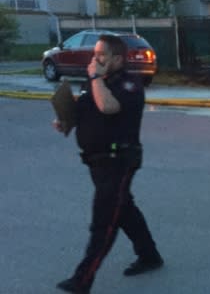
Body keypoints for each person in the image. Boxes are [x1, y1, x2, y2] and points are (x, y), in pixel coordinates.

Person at [53, 34, 163, 294]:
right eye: (95, 54)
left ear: (117, 58)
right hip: (96, 160)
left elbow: (108, 107)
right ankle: (150, 256)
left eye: (101, 55)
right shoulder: (95, 82)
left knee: (104, 221)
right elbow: (86, 110)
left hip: (119, 160)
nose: (96, 59)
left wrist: (95, 79)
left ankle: (82, 280)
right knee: (123, 210)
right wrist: (66, 122)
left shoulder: (129, 84)